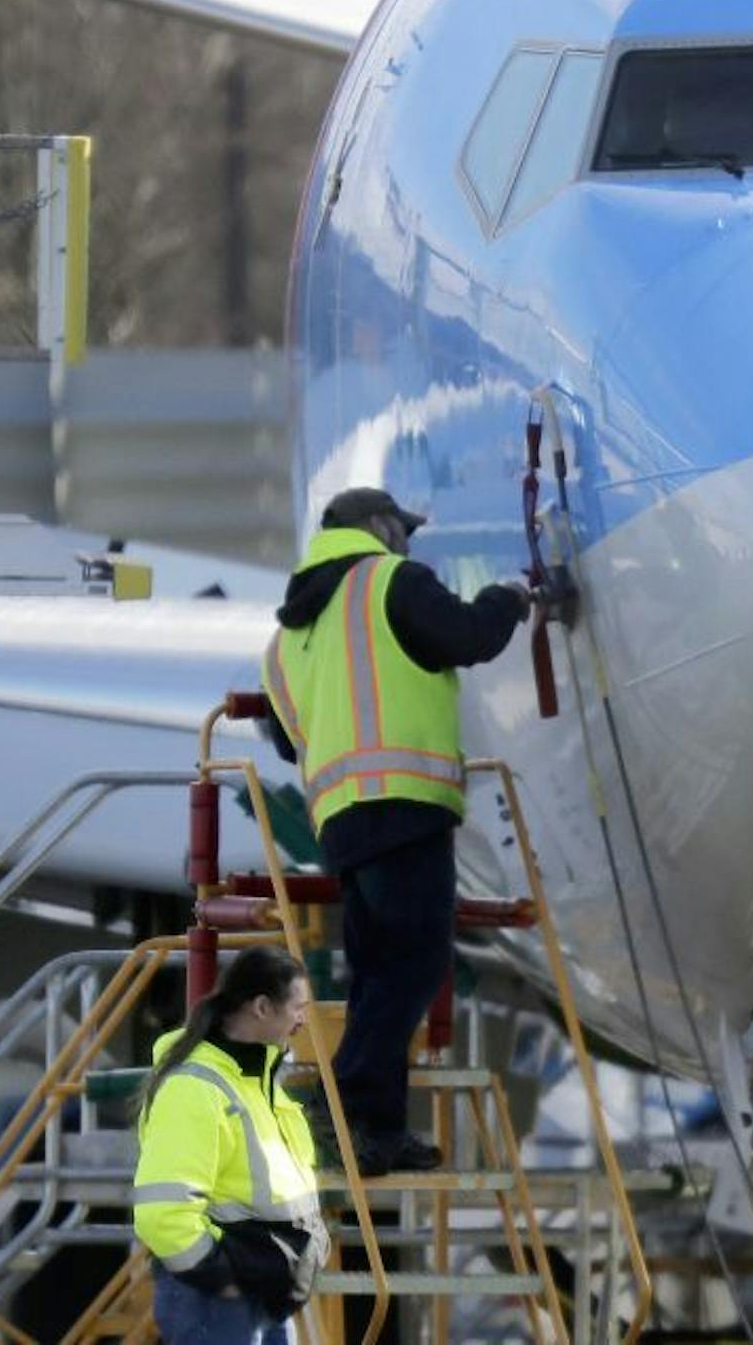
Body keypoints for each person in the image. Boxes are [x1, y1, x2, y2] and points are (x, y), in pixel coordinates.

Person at [258, 487, 530, 1176]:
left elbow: (290, 741)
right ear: (379, 527)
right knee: (415, 964)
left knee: (379, 972)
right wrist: (512, 598)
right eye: (401, 529)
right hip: (404, 804)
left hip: (342, 821)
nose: (408, 542)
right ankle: (343, 1102)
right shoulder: (389, 581)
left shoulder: (287, 634)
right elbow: (467, 637)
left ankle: (377, 1129)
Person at [134, 946, 326, 1344]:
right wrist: (222, 1281)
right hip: (221, 1302)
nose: (303, 1020)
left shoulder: (256, 1079)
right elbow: (162, 1214)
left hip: (260, 1294)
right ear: (261, 1008)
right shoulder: (196, 1087)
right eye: (298, 1007)